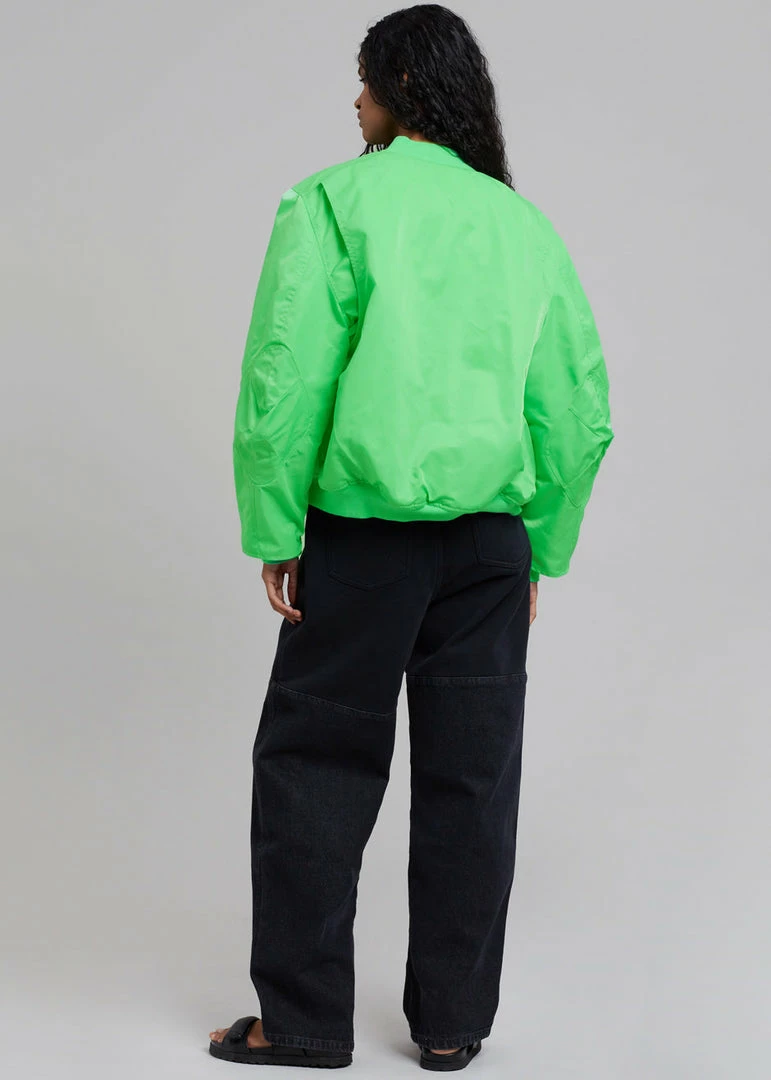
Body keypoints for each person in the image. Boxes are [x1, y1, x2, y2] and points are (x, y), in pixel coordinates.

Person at [209, 3, 614, 1071]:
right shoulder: (520, 224)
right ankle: (450, 1029)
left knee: (314, 766)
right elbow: (577, 408)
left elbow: (284, 378)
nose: (354, 101)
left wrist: (275, 525)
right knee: (471, 784)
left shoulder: (333, 202)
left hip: (360, 544)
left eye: (365, 80)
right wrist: (541, 546)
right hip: (489, 551)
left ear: (400, 87)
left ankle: (301, 1024)